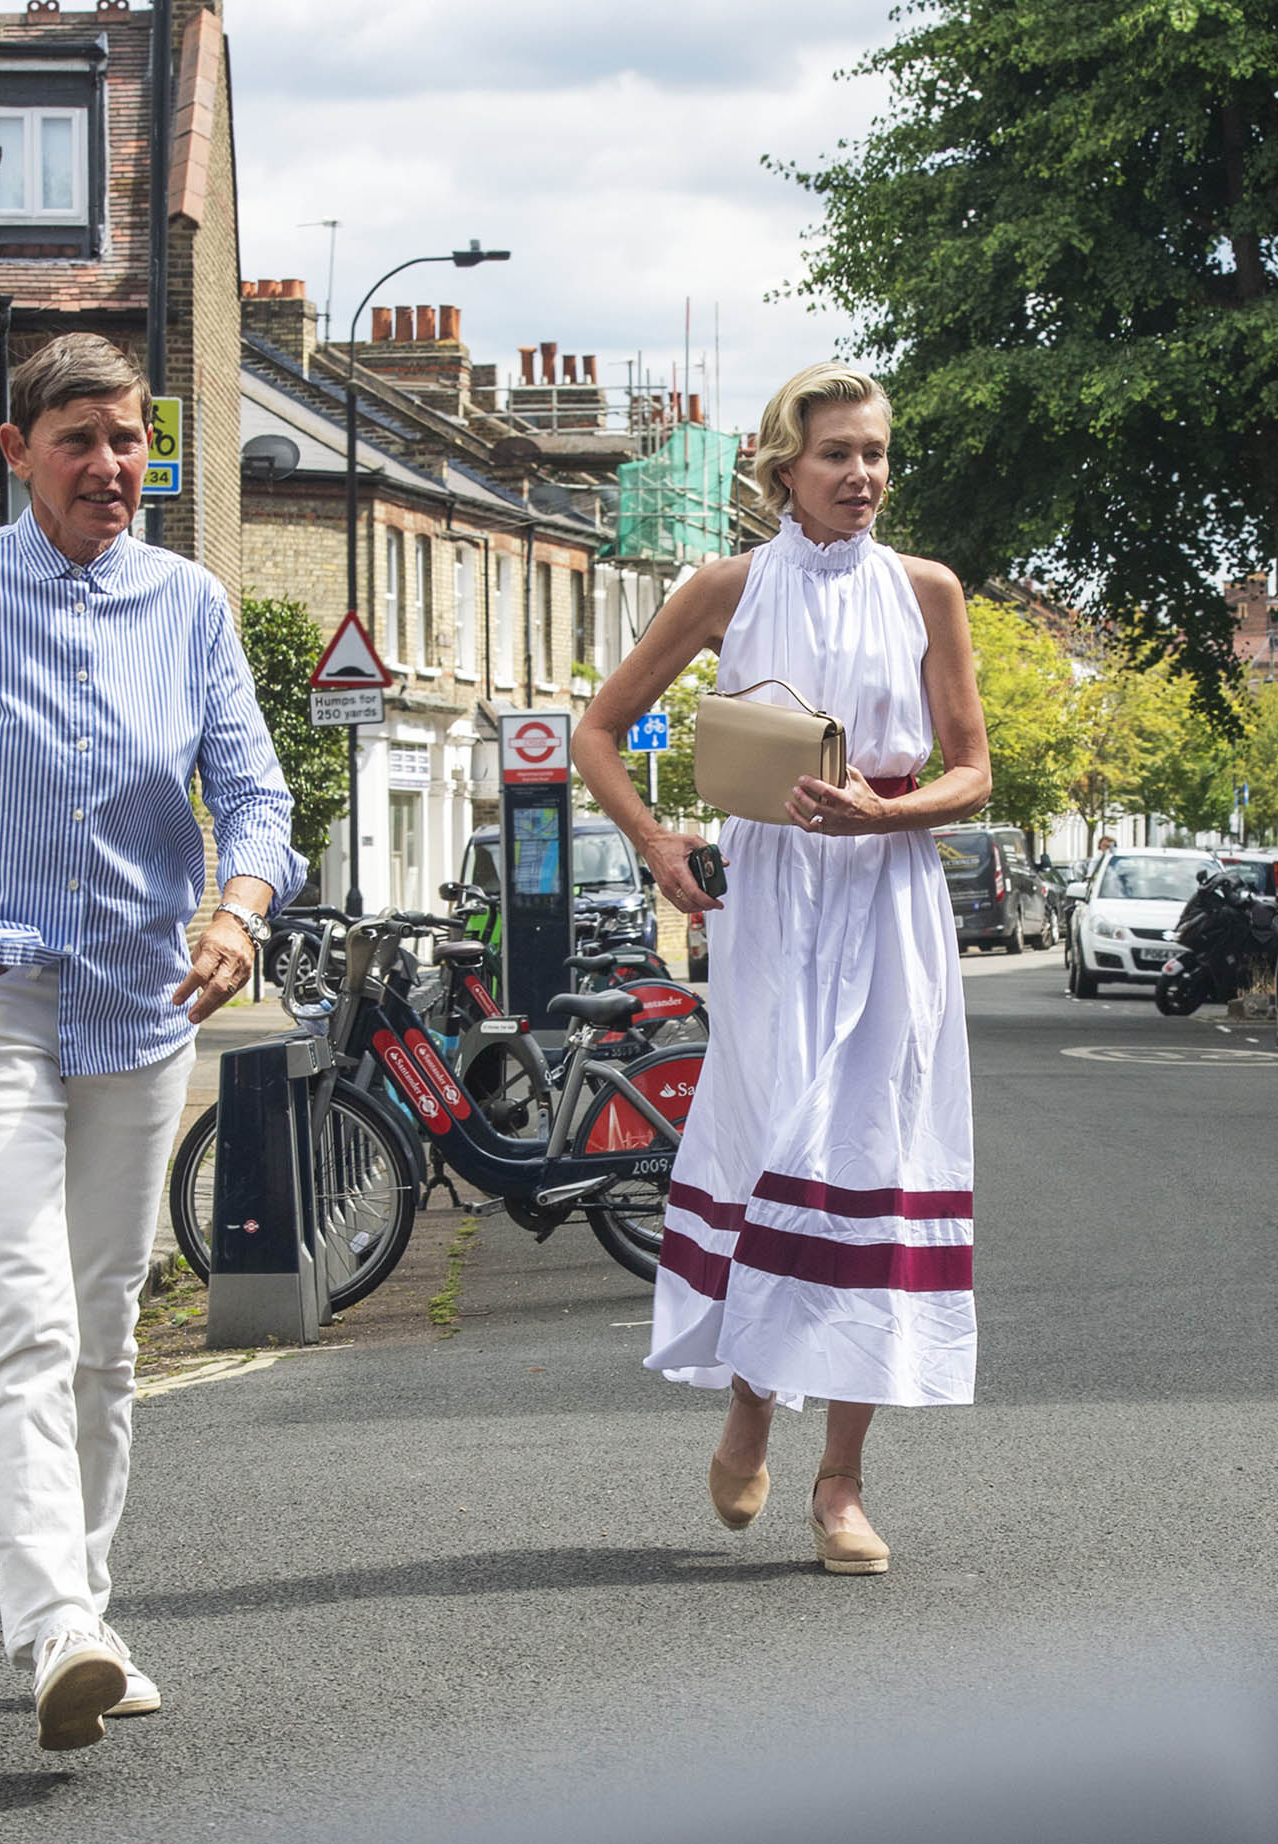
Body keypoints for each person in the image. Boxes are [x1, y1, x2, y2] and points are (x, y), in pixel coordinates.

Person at [0, 334, 307, 1747]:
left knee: (106, 1329)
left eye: (131, 442)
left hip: (142, 1003)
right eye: (82, 441)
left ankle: (86, 1615)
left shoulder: (189, 603)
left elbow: (259, 798)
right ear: (16, 448)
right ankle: (53, 1628)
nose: (113, 468)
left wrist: (236, 915)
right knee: (28, 1309)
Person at [572, 361, 991, 1574]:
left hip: (887, 892)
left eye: (875, 455)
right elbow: (599, 731)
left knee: (874, 1149)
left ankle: (842, 1482)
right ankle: (753, 1395)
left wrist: (883, 813)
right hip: (766, 897)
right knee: (777, 1147)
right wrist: (657, 844)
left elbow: (971, 768)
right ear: (782, 470)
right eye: (837, 456)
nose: (862, 476)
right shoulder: (724, 588)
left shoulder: (927, 590)